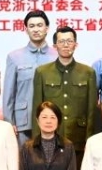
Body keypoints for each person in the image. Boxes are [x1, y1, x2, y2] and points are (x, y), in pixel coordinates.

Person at [32, 26, 98, 156]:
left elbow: (91, 110)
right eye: (61, 41)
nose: (66, 45)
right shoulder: (42, 72)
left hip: (78, 138)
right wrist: (36, 140)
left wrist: (90, 140)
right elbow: (37, 108)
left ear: (76, 45)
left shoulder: (88, 72)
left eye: (69, 41)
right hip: (51, 136)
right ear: (55, 46)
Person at [2, 9, 57, 146]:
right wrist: (9, 123)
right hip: (23, 123)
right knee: (24, 158)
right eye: (32, 26)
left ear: (47, 28)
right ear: (26, 30)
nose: (36, 29)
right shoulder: (14, 57)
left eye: (39, 25)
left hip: (52, 120)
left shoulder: (57, 56)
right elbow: (9, 94)